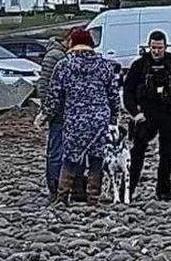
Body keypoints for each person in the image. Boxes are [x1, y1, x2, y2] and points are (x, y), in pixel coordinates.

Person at [45, 28, 121, 205]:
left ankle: (62, 196)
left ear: (73, 43)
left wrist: (46, 115)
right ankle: (93, 197)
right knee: (96, 158)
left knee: (70, 157)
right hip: (99, 119)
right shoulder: (104, 66)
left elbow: (54, 94)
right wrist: (114, 118)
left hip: (74, 119)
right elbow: (113, 95)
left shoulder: (64, 65)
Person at [123, 31, 171, 201]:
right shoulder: (139, 65)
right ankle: (128, 189)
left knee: (167, 153)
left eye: (159, 48)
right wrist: (135, 113)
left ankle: (163, 190)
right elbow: (127, 93)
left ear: (165, 46)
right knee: (137, 151)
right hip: (145, 114)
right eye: (153, 48)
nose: (156, 51)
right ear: (149, 46)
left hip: (169, 113)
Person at [33, 31, 84, 202]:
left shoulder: (63, 57)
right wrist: (47, 111)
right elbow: (46, 85)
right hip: (60, 113)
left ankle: (68, 188)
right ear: (68, 40)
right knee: (57, 152)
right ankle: (56, 189)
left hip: (69, 112)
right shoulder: (55, 57)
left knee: (66, 151)